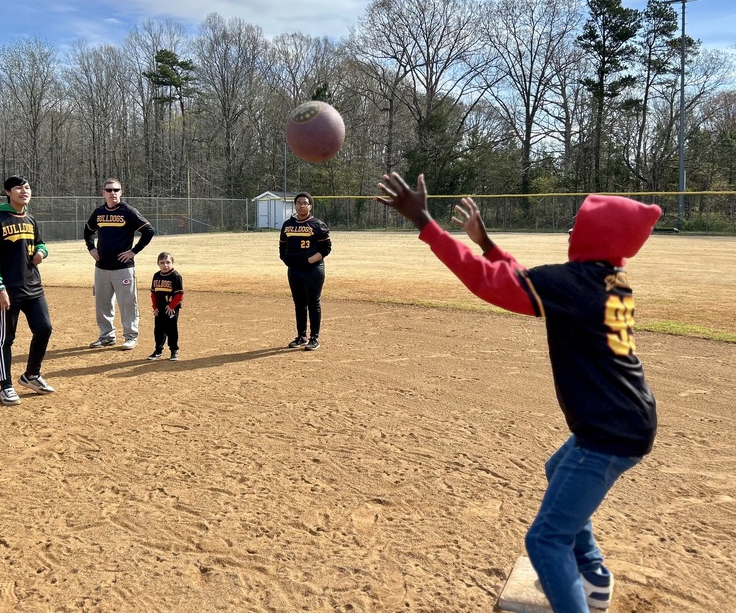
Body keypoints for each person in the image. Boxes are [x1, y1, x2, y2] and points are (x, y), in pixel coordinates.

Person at [376, 172, 662, 613]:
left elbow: (485, 281)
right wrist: (488, 244)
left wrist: (424, 222)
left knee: (545, 540)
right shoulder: (608, 279)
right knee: (557, 468)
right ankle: (594, 577)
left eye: (578, 222)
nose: (570, 228)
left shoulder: (574, 285)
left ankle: (583, 585)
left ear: (596, 234)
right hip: (623, 418)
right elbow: (526, 277)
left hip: (609, 431)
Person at [0, 175, 55, 406]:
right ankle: (6, 386)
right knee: (5, 339)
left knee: (44, 328)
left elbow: (40, 243)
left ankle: (31, 375)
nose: (25, 191)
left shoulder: (30, 219)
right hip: (7, 290)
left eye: (28, 187)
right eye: (19, 188)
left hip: (33, 286)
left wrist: (42, 252)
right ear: (7, 192)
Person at [84, 178, 155, 351]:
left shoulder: (128, 211)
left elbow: (148, 231)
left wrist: (133, 251)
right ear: (103, 193)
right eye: (109, 190)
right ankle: (106, 336)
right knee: (102, 303)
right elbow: (88, 230)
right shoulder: (99, 212)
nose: (112, 193)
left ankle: (131, 337)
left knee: (127, 303)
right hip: (101, 267)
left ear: (121, 192)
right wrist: (91, 248)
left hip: (123, 268)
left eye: (116, 190)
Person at [278, 192, 331, 351]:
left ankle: (314, 338)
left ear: (310, 206)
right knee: (299, 303)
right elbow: (282, 246)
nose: (301, 205)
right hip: (294, 270)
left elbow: (326, 249)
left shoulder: (318, 225)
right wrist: (287, 260)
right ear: (295, 205)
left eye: (305, 203)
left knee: (313, 303)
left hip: (313, 270)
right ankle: (301, 336)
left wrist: (308, 261)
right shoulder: (288, 225)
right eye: (299, 203)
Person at [147, 251, 184, 361]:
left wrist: (172, 306)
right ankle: (158, 350)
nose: (165, 265)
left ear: (172, 263)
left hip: (171, 309)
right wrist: (155, 307)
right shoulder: (156, 275)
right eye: (162, 262)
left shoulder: (175, 276)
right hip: (160, 308)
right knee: (158, 329)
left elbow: (179, 294)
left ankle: (174, 350)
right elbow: (153, 293)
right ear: (158, 263)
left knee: (171, 329)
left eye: (168, 262)